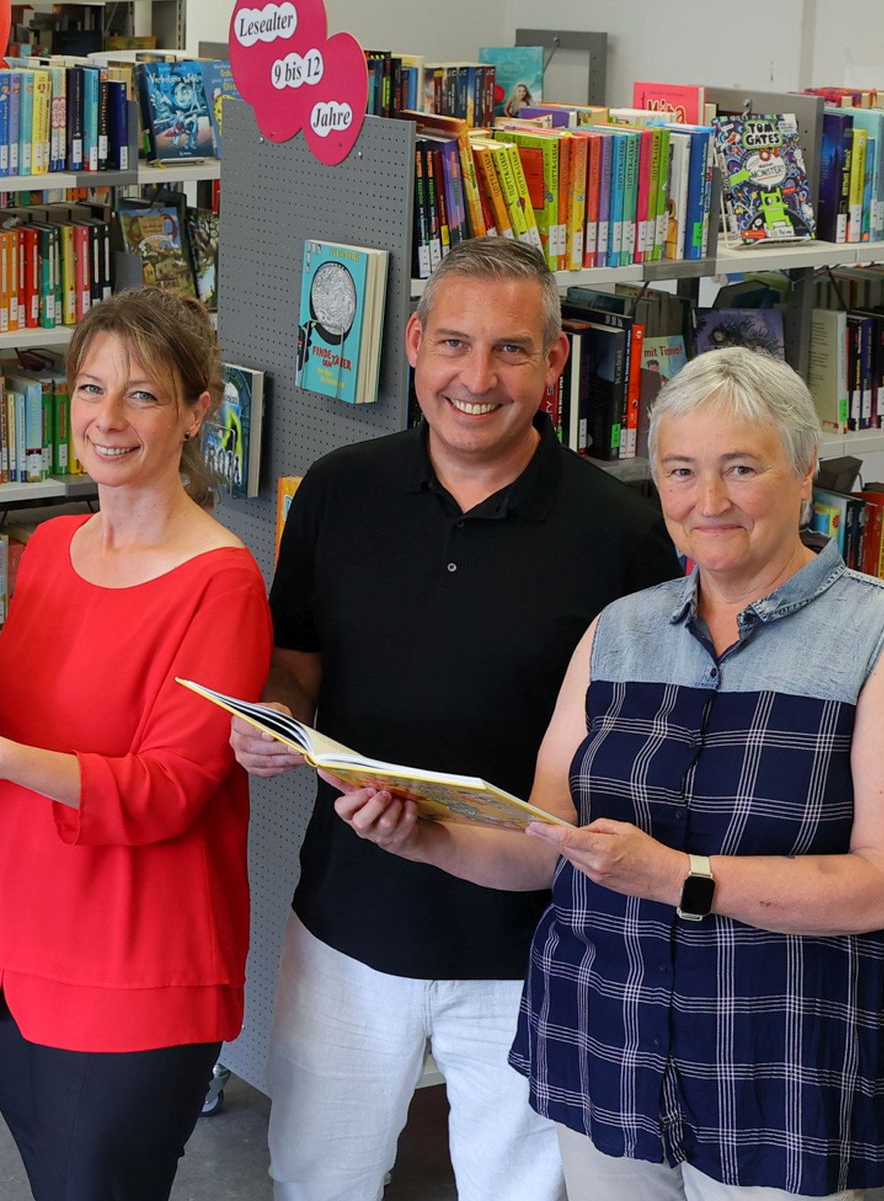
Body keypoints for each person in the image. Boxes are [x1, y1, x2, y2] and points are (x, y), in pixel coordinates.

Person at [335, 345, 884, 1199]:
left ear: (803, 475)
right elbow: (545, 843)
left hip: (778, 1067)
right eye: (680, 470)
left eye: (740, 468)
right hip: (606, 1042)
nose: (706, 501)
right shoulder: (619, 631)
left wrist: (682, 877)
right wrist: (425, 837)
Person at [233, 235, 678, 1201]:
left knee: (516, 1189)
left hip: (531, 940)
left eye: (513, 350)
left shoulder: (623, 534)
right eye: (455, 344)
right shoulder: (338, 491)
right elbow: (295, 667)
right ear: (413, 342)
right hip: (349, 917)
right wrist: (271, 717)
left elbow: (635, 748)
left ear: (557, 363)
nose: (477, 378)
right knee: (316, 1175)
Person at [0, 289, 272, 1200]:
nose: (107, 418)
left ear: (196, 411)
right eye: (90, 388)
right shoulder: (52, 547)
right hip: (9, 954)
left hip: (133, 969)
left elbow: (169, 788)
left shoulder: (221, 585)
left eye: (143, 395)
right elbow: (20, 716)